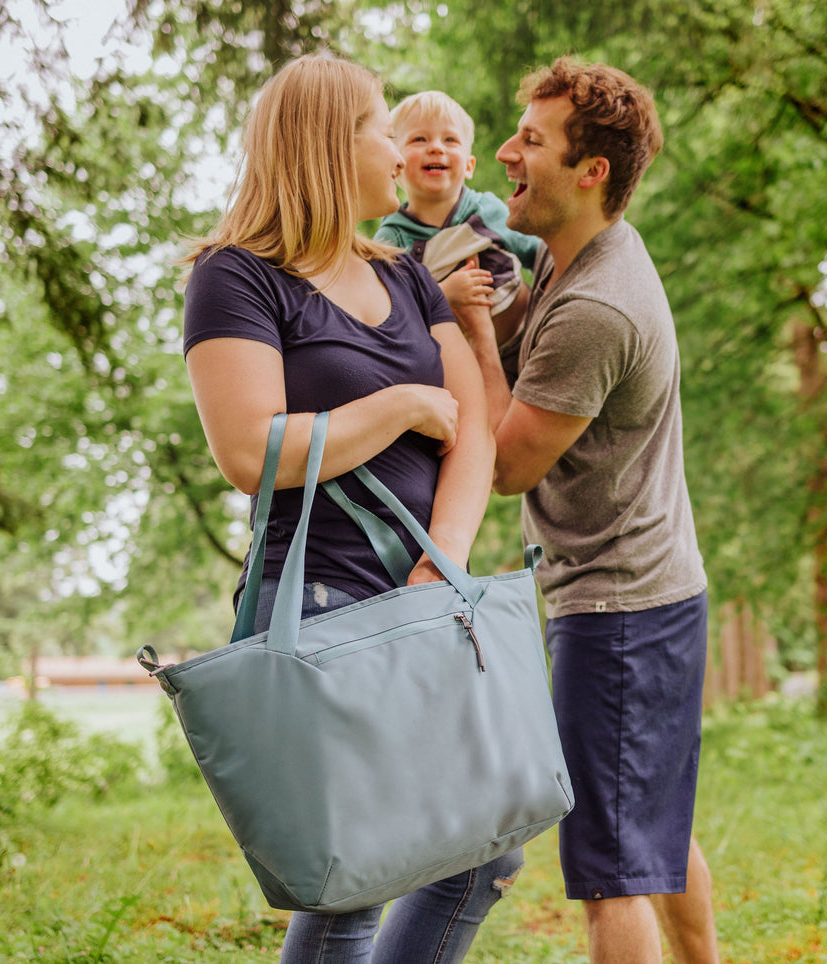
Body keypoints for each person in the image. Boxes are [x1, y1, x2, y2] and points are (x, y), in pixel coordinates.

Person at [180, 53, 518, 964]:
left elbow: (474, 428)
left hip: (425, 588)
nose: (396, 150)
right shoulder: (235, 277)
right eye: (378, 128)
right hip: (326, 596)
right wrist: (397, 408)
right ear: (331, 146)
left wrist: (444, 554)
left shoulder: (405, 275)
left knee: (488, 845)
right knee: (354, 876)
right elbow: (250, 452)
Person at [453, 57, 721, 964]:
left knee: (610, 870)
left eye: (531, 139)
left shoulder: (598, 305)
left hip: (616, 613)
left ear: (590, 171)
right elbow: (524, 335)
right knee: (653, 828)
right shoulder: (589, 252)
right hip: (660, 594)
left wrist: (463, 333)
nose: (503, 151)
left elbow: (507, 463)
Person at [373, 90, 538, 346]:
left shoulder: (486, 210)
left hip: (527, 339)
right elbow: (387, 312)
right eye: (419, 139)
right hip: (456, 361)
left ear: (469, 166)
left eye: (450, 140)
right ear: (397, 165)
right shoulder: (391, 238)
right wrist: (443, 294)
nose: (436, 147)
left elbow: (538, 255)